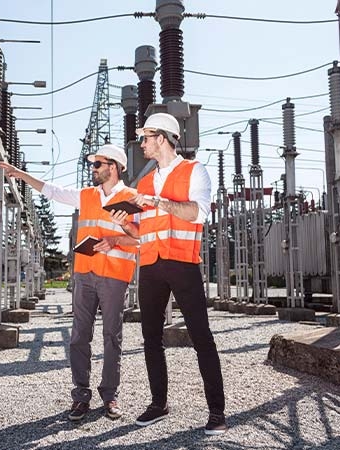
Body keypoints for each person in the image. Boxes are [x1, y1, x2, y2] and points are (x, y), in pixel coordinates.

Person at [0, 144, 140, 422]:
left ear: (113, 166)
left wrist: (114, 239)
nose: (93, 169)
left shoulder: (132, 197)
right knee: (79, 336)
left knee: (112, 337)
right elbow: (52, 190)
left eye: (98, 164)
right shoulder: (86, 196)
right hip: (84, 275)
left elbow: (140, 239)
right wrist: (20, 174)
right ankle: (80, 396)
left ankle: (109, 395)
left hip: (114, 275)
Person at [112, 112, 228, 435]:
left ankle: (217, 412)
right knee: (150, 337)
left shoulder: (194, 172)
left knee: (201, 336)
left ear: (162, 138)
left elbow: (197, 213)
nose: (142, 143)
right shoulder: (145, 183)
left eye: (146, 137)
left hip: (183, 263)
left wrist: (158, 201)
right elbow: (142, 231)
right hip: (150, 265)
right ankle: (159, 403)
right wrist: (126, 224)